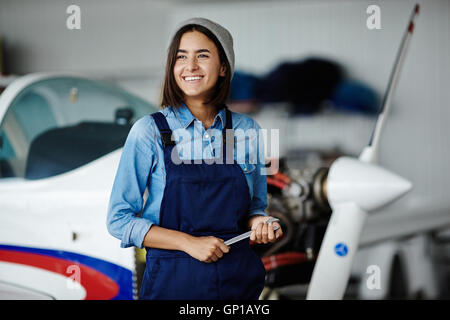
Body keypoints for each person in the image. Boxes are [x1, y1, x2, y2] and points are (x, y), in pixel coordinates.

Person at [106, 17, 283, 300]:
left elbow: (256, 207)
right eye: (181, 57)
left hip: (237, 284)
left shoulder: (247, 130)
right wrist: (189, 244)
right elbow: (118, 220)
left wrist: (262, 224)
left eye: (202, 56)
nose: (190, 67)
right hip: (172, 283)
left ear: (223, 66)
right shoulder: (148, 132)